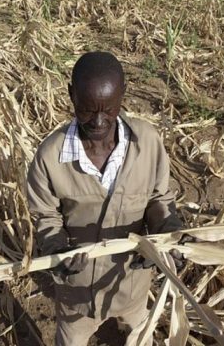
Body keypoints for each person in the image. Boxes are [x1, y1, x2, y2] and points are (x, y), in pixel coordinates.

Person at [26, 51, 184, 346]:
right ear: (71, 94)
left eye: (109, 109)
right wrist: (58, 250)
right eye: (86, 109)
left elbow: (158, 200)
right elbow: (46, 217)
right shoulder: (49, 158)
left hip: (132, 286)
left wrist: (169, 236)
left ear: (123, 94)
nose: (98, 121)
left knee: (141, 338)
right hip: (77, 295)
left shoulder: (147, 143)